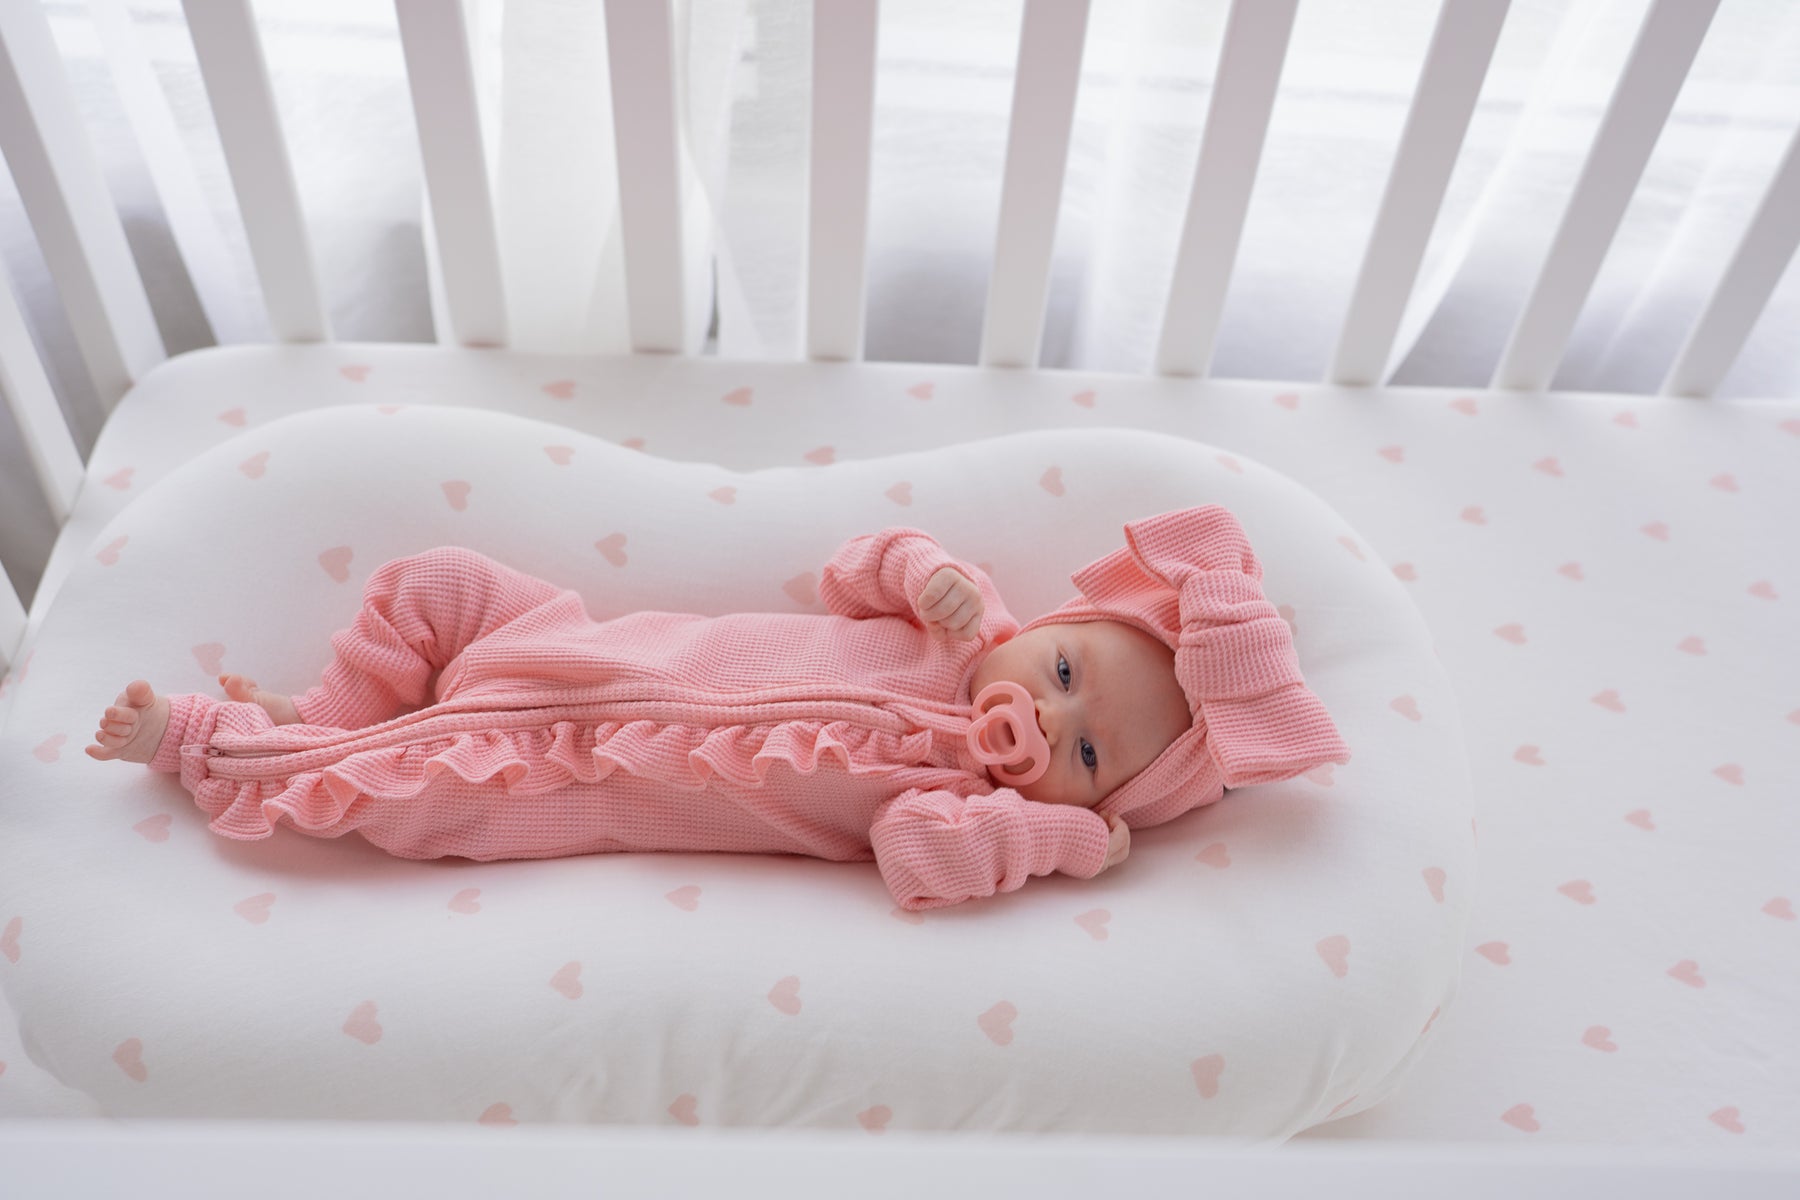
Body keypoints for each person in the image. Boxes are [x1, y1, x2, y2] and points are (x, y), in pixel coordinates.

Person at [85, 505, 1350, 911]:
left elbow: (918, 860)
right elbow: (848, 569)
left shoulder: (959, 800)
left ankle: (208, 745)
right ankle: (321, 714)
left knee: (405, 797)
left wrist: (1063, 841)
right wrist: (925, 569)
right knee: (437, 583)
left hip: (572, 775)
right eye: (1066, 674)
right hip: (565, 644)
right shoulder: (966, 623)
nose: (1044, 717)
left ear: (1109, 797)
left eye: (1087, 754)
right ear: (1055, 626)